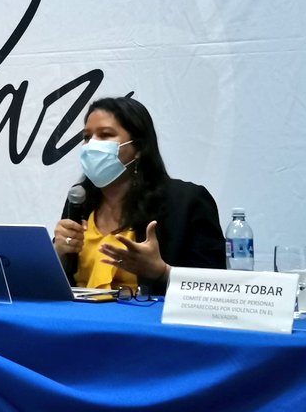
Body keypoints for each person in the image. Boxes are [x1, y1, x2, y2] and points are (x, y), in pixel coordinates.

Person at [53, 96, 224, 295]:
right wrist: (59, 254)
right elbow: (57, 285)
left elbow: (216, 287)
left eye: (105, 135)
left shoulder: (186, 202)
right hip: (79, 314)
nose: (92, 145)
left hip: (147, 315)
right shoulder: (79, 200)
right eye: (87, 137)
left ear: (139, 148)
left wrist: (162, 272)